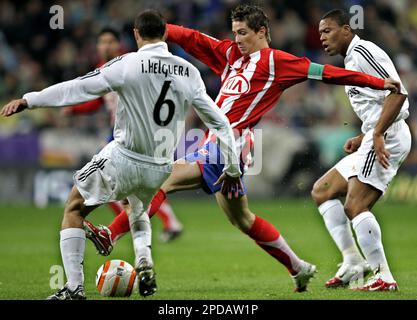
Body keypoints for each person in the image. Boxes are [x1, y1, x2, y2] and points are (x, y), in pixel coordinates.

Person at [83, 4, 401, 293]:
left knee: (162, 181)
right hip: (219, 145)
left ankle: (111, 235)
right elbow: (196, 40)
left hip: (230, 144)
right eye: (234, 33)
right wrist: (163, 31)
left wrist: (376, 83)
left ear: (262, 32)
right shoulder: (232, 56)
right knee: (242, 219)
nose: (237, 40)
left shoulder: (277, 62)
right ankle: (299, 268)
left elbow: (326, 73)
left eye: (244, 33)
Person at [1, 10, 243, 300]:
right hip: (160, 166)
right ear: (166, 34)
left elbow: (79, 88)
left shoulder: (128, 64)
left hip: (125, 156)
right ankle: (144, 260)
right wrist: (232, 171)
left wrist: (31, 99)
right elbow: (221, 124)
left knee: (75, 206)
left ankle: (74, 289)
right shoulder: (188, 71)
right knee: (138, 210)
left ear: (137, 34)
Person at [311, 9, 411, 291]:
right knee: (323, 189)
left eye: (327, 31)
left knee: (355, 205)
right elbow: (377, 101)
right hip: (376, 133)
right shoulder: (351, 60)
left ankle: (383, 276)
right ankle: (353, 261)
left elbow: (398, 92)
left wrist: (377, 133)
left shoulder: (363, 53)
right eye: (319, 34)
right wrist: (364, 134)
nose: (322, 38)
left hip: (388, 135)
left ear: (346, 29)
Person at [64, 27, 184, 246]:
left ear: (119, 44)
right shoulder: (105, 70)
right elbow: (96, 102)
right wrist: (74, 110)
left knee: (120, 190)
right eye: (102, 42)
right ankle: (156, 229)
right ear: (98, 46)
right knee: (130, 192)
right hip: (118, 135)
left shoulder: (130, 65)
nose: (106, 46)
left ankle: (117, 233)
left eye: (111, 41)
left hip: (134, 135)